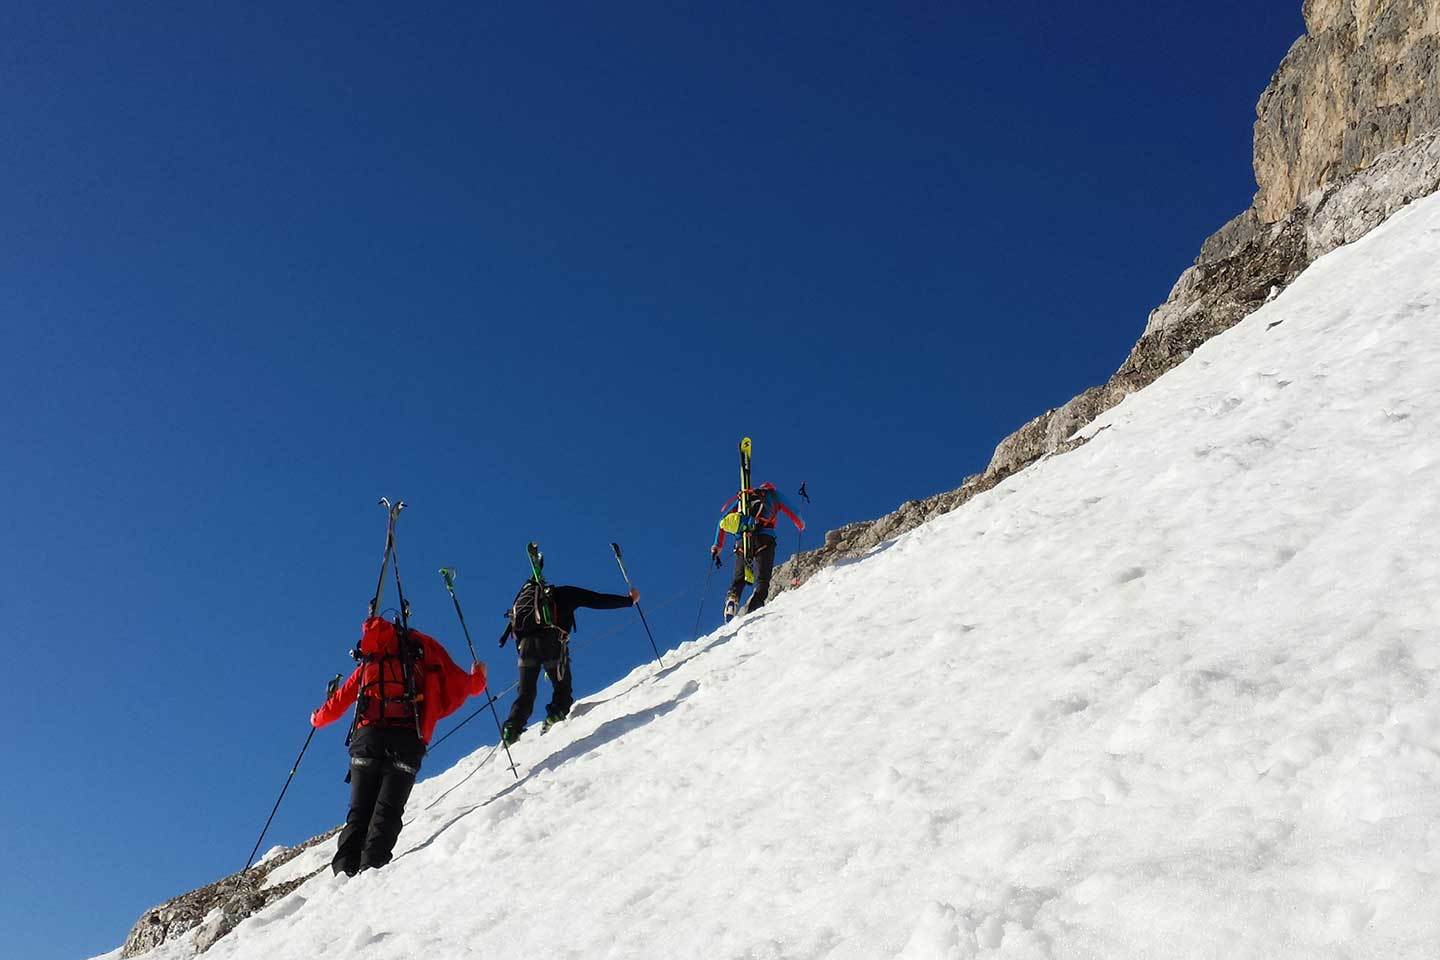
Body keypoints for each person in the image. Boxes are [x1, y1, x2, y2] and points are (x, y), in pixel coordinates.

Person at [310, 616, 488, 876]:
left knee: (359, 811)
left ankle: (342, 874)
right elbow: (460, 683)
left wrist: (316, 718)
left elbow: (338, 702)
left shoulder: (369, 663)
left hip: (367, 739)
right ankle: (371, 869)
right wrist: (479, 678)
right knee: (387, 812)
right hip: (407, 739)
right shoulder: (421, 654)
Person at [499, 579, 638, 745]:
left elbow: (517, 637)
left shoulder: (520, 610)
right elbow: (596, 599)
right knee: (562, 688)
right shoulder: (562, 594)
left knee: (525, 694)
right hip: (551, 642)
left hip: (525, 648)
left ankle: (512, 730)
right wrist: (628, 600)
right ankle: (555, 718)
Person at [711, 480, 805, 620]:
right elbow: (795, 513)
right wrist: (800, 525)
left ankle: (732, 599)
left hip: (742, 540)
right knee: (762, 582)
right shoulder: (774, 495)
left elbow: (723, 521)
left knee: (739, 578)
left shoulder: (745, 498)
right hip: (765, 539)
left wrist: (717, 546)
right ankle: (752, 614)